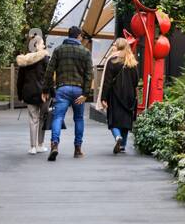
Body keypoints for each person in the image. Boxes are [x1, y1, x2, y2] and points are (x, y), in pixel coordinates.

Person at [43, 25, 93, 161]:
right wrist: (86, 94)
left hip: (62, 89)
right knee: (78, 119)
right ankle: (77, 149)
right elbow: (89, 74)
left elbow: (49, 71)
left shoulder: (58, 50)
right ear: (78, 36)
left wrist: (45, 90)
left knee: (58, 117)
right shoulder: (85, 52)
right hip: (78, 90)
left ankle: (54, 144)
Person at [101, 37, 140, 154]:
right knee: (126, 120)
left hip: (115, 94)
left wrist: (103, 98)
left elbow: (107, 82)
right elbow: (136, 81)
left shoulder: (112, 61)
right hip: (129, 95)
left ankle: (117, 137)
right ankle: (123, 145)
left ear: (118, 46)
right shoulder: (132, 62)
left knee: (113, 119)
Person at [16, 33, 49, 154]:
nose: (44, 46)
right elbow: (49, 77)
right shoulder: (45, 58)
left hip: (29, 93)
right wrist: (51, 92)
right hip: (44, 93)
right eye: (42, 43)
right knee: (42, 118)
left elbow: (20, 80)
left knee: (33, 119)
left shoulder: (24, 60)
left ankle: (32, 147)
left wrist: (20, 95)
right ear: (36, 45)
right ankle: (40, 144)